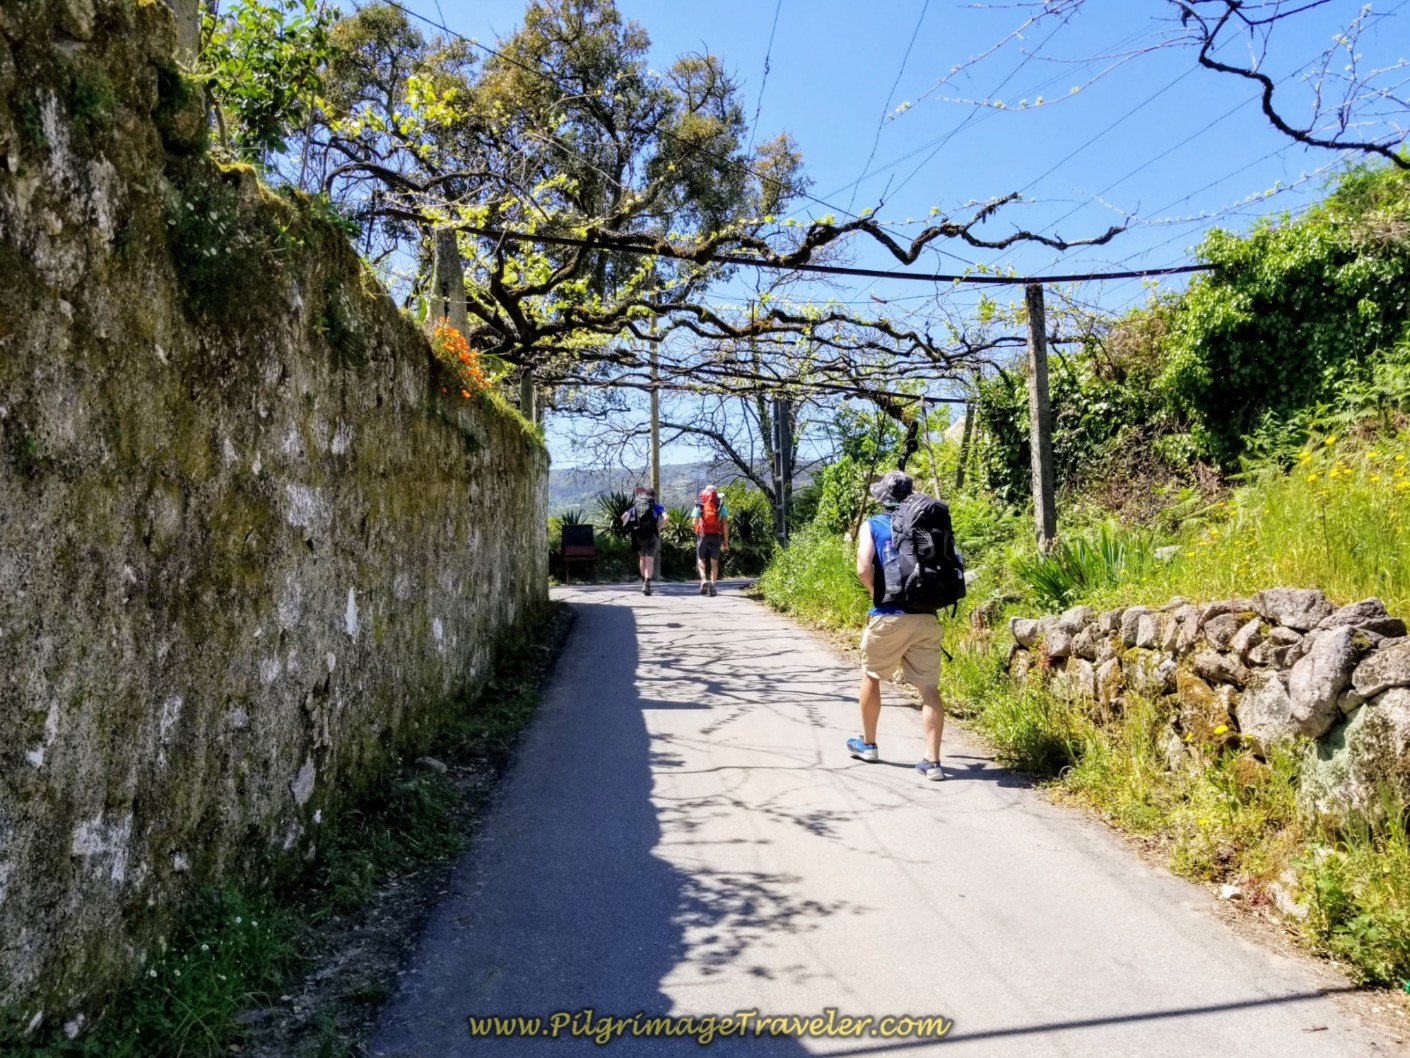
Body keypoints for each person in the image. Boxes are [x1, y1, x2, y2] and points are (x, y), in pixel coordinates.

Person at [848, 470, 947, 781]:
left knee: (872, 675)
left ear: (882, 497)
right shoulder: (928, 523)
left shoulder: (874, 523)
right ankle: (932, 761)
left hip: (888, 614)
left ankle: (868, 744)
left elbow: (864, 565)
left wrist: (874, 593)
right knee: (929, 689)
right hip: (926, 615)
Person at [621, 487, 667, 595]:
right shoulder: (656, 505)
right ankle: (647, 583)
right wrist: (658, 528)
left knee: (642, 559)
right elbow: (666, 518)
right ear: (653, 496)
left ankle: (643, 582)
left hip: (639, 536)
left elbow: (623, 517)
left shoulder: (636, 504)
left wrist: (631, 527)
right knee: (650, 560)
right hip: (652, 536)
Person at [690, 485, 729, 596]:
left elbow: (694, 522)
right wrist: (725, 540)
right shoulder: (721, 505)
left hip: (703, 535)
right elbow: (725, 524)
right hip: (716, 535)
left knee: (701, 559)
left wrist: (699, 532)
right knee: (714, 562)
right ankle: (713, 586)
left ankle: (703, 580)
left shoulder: (700, 505)